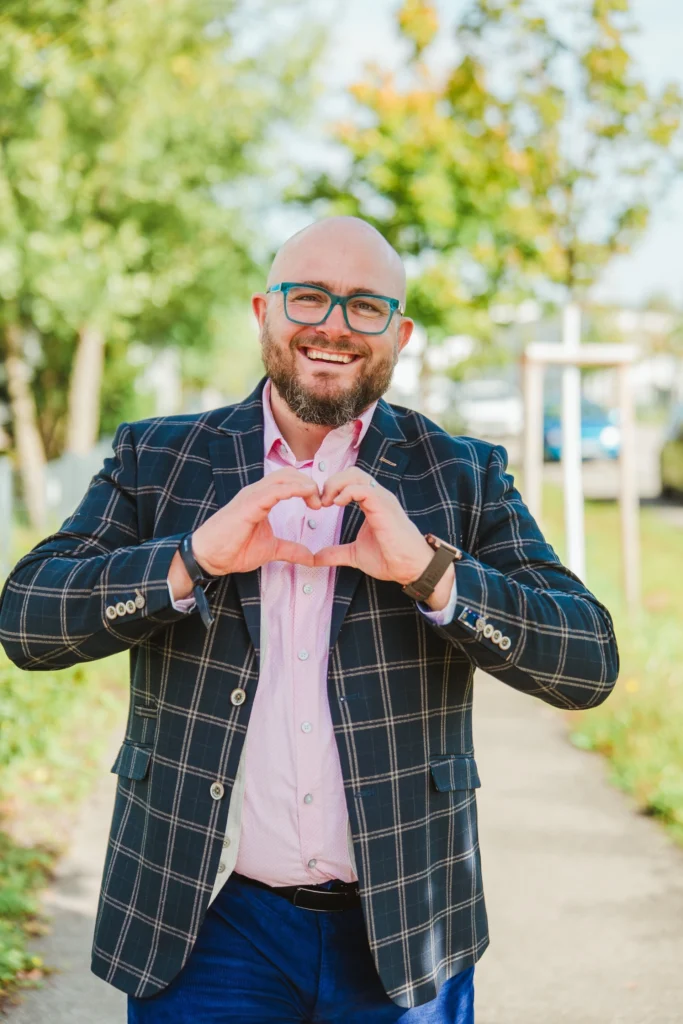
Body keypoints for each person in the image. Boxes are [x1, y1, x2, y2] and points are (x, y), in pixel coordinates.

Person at [0, 217, 619, 1023]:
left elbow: (587, 663)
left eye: (364, 306)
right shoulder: (157, 458)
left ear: (398, 333)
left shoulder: (464, 475)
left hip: (406, 924)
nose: (332, 324)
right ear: (264, 310)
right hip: (200, 922)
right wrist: (190, 559)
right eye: (308, 298)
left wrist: (432, 575)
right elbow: (26, 621)